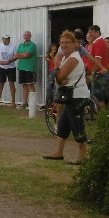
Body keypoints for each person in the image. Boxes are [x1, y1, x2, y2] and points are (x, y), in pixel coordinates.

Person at [42, 30, 91, 165]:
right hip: (70, 96)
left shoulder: (73, 58)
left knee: (77, 126)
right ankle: (58, 153)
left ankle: (83, 157)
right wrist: (59, 76)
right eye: (62, 42)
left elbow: (58, 76)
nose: (63, 45)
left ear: (75, 44)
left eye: (67, 43)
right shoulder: (66, 57)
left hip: (76, 97)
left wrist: (58, 75)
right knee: (63, 125)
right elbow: (58, 76)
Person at [14, 30, 38, 108]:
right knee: (24, 85)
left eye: (28, 35)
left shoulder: (32, 45)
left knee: (31, 85)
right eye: (25, 35)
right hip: (21, 67)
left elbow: (26, 55)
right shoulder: (21, 45)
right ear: (23, 36)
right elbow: (17, 55)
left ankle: (32, 104)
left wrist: (20, 55)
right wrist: (21, 55)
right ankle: (25, 103)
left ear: (30, 36)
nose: (26, 36)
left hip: (30, 68)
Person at [0, 33, 18, 107]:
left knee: (11, 84)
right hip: (1, 68)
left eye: (8, 39)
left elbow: (16, 56)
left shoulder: (13, 46)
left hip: (11, 67)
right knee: (0, 85)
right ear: (2, 39)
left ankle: (13, 102)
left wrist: (9, 61)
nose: (7, 40)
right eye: (5, 39)